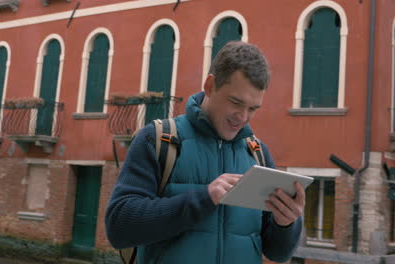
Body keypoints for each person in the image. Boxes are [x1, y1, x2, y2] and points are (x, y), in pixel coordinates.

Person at [105, 41, 305, 264]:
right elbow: (118, 228)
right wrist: (204, 198)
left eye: (253, 109)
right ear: (210, 85)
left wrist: (287, 223)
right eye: (236, 102)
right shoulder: (156, 139)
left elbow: (278, 253)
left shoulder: (258, 154)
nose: (243, 117)